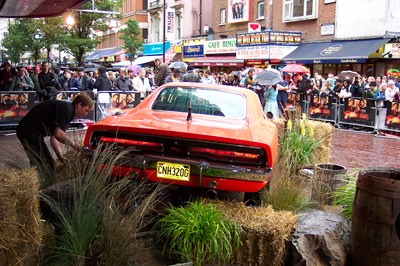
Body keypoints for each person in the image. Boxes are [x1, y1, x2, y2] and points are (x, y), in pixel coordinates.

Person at [16, 93, 94, 185]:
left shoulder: (67, 109)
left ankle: (38, 185)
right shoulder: (67, 110)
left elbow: (54, 137)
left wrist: (61, 157)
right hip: (29, 131)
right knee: (45, 163)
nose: (86, 114)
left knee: (43, 161)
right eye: (86, 110)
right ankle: (41, 187)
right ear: (79, 105)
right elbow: (58, 135)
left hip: (31, 132)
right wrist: (76, 146)